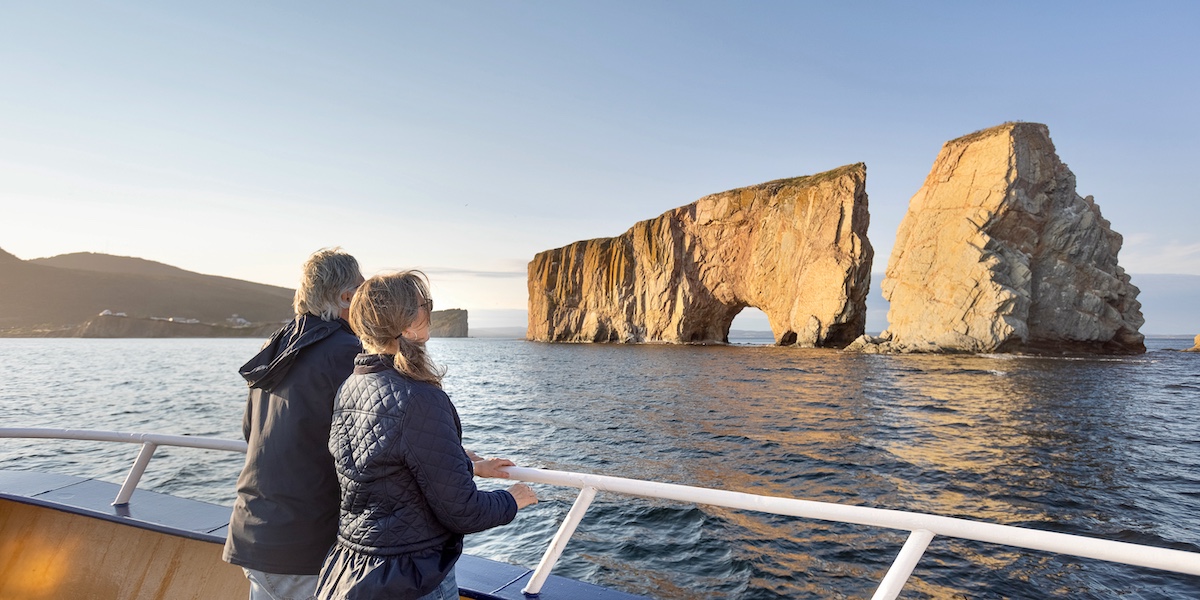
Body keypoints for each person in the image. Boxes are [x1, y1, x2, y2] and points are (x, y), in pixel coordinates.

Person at [316, 271, 538, 600]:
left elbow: (385, 468)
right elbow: (463, 510)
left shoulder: (351, 386)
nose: (430, 313)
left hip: (351, 568)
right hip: (408, 577)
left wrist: (467, 463)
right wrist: (512, 499)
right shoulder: (420, 398)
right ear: (406, 325)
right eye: (425, 305)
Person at [223, 248, 365, 600]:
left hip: (253, 533)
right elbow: (371, 442)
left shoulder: (279, 344)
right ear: (346, 297)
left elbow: (249, 430)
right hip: (303, 546)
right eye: (363, 291)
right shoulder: (347, 351)